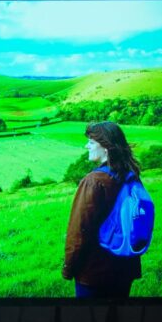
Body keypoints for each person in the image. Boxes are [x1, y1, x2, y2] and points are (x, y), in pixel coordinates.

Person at [63, 122, 143, 298]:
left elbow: (78, 231)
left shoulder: (93, 181)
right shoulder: (131, 176)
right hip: (125, 267)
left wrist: (68, 268)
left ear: (106, 147)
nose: (87, 146)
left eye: (91, 142)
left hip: (95, 273)